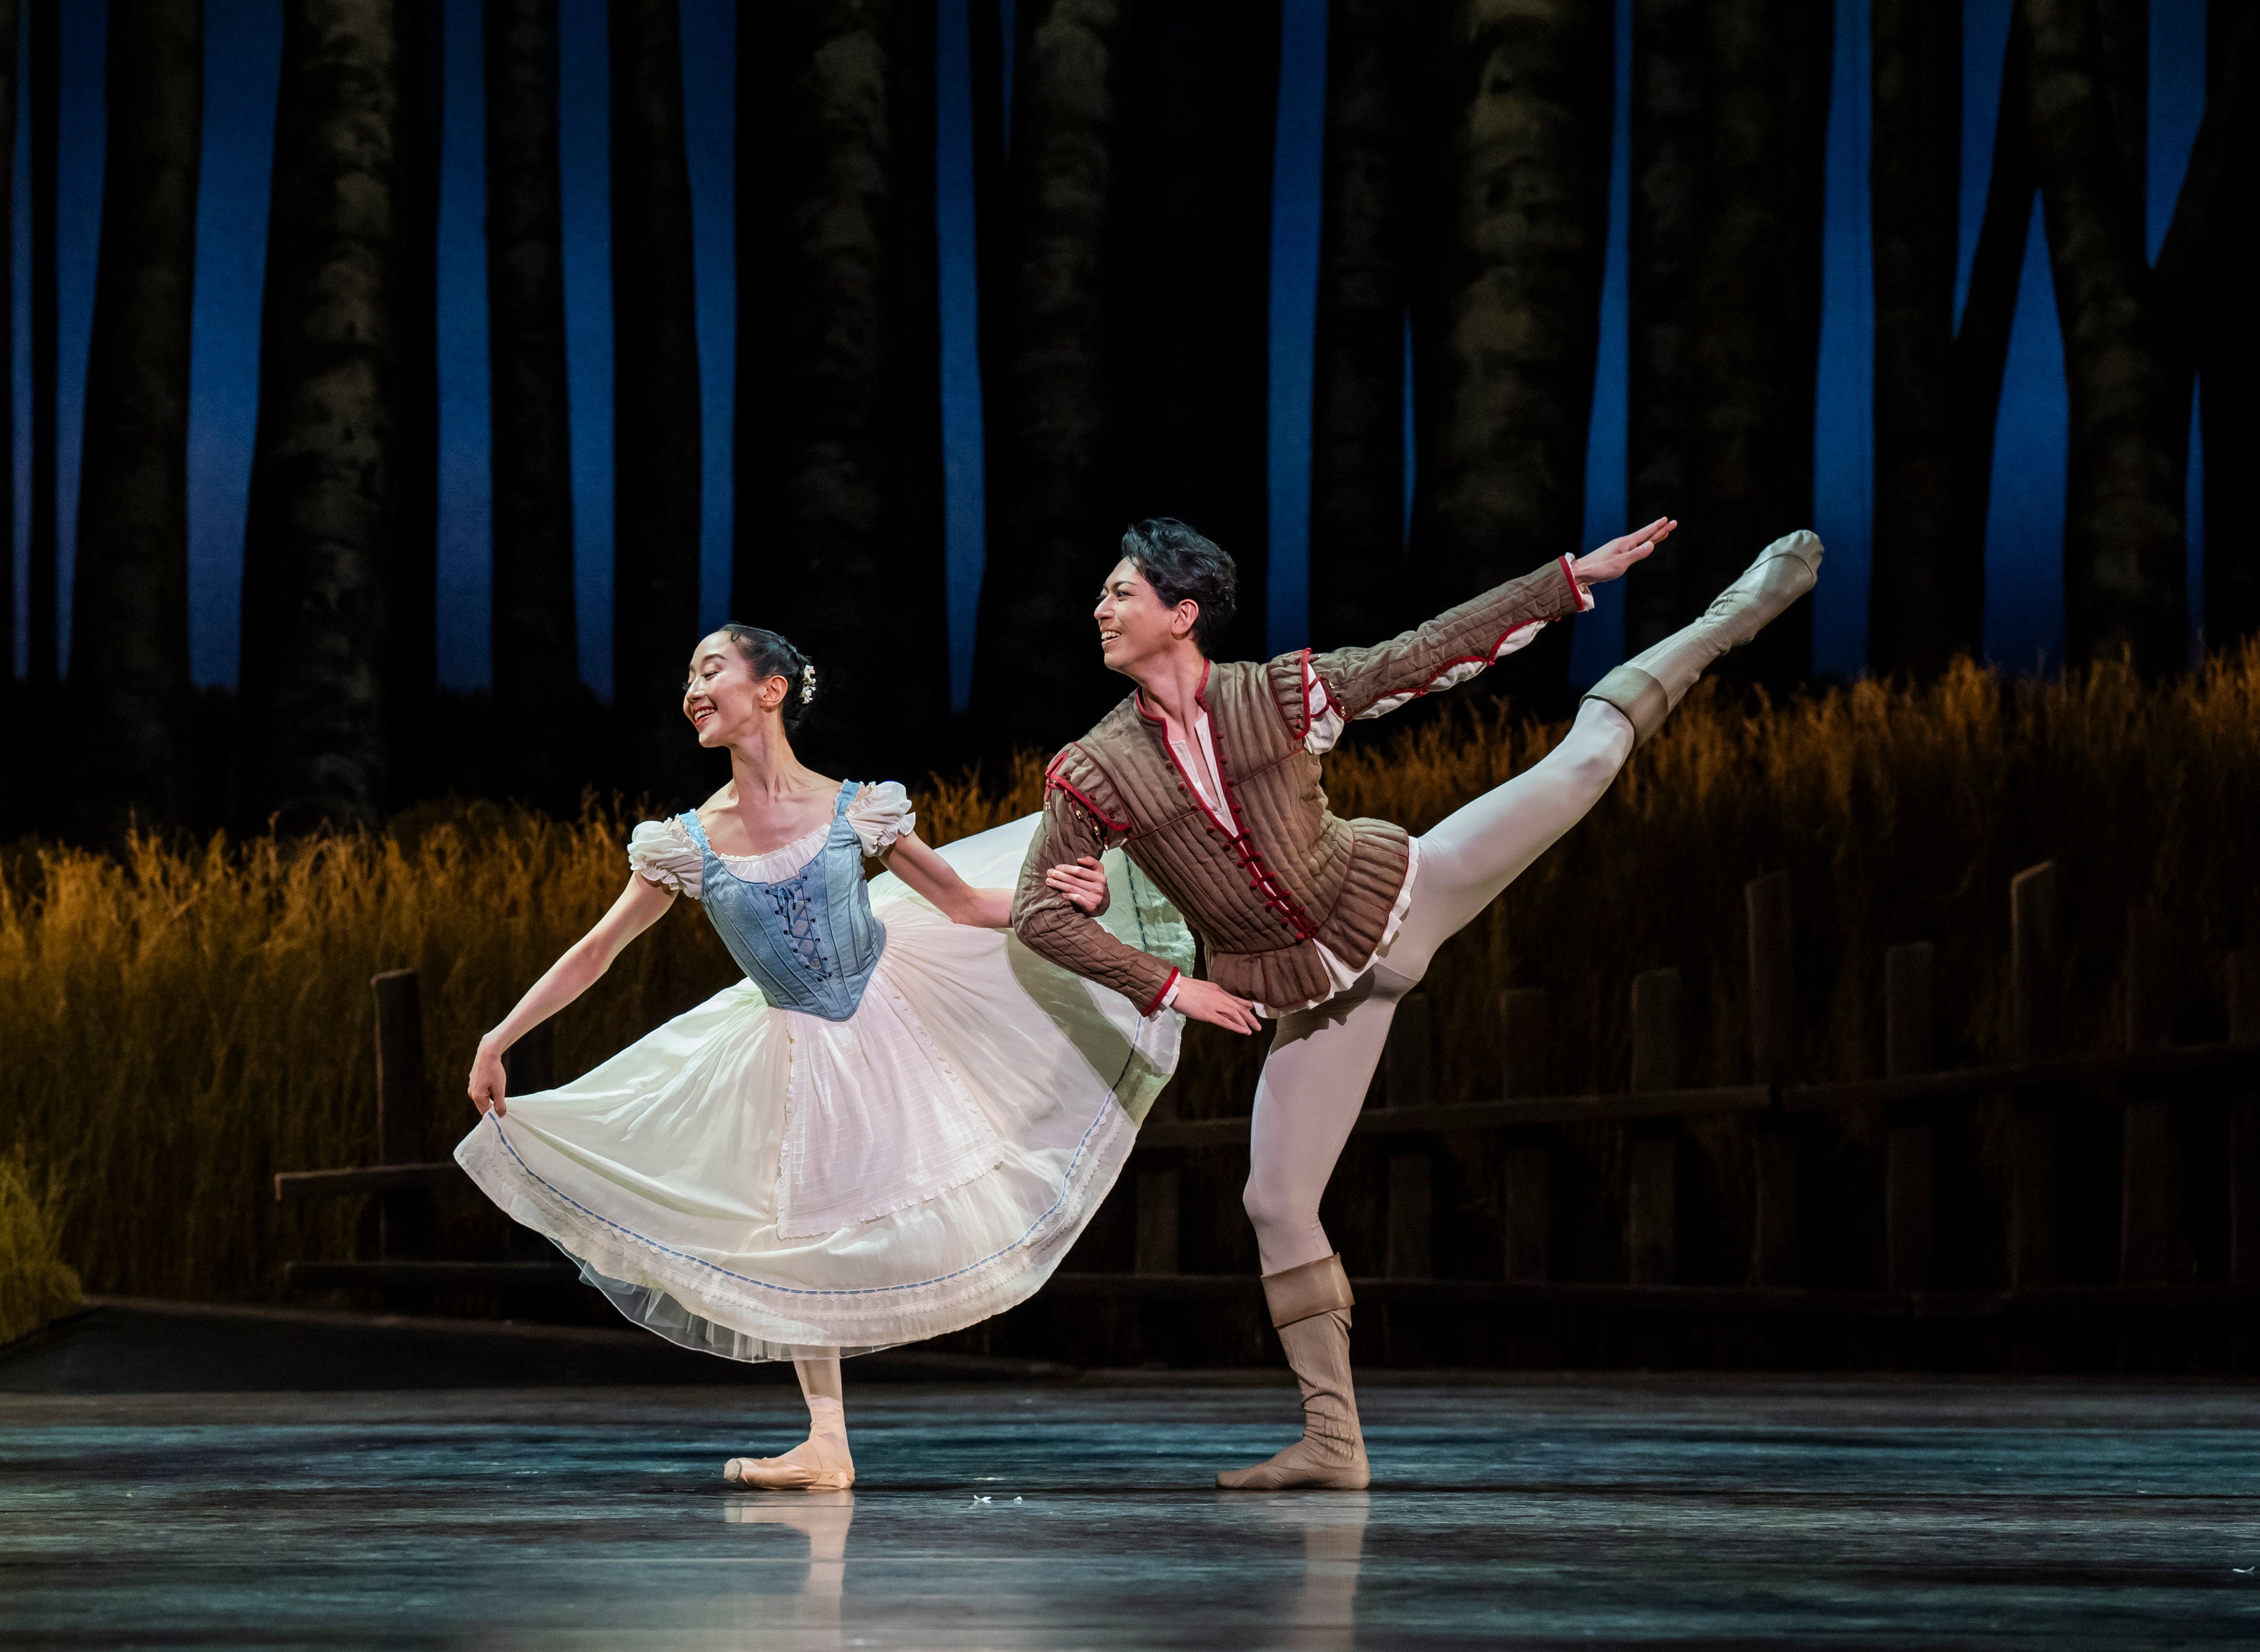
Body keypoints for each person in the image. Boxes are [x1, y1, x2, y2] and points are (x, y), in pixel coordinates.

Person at [1012, 515, 1822, 1489]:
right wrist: (1176, 986)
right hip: (1313, 998)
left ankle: (1722, 621)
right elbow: (1037, 915)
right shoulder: (1093, 770)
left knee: (1583, 762)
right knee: (1274, 1200)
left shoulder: (1277, 693)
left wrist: (1565, 579)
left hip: (1401, 897)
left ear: (1180, 615)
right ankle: (1332, 1440)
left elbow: (1423, 653)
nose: (1099, 609)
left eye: (1120, 593)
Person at [456, 625, 1191, 1490]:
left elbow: (963, 904)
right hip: (789, 1044)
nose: (691, 690)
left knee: (900, 1198)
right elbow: (595, 952)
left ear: (770, 690)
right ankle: (827, 1441)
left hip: (891, 1016)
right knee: (797, 1227)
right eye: (686, 676)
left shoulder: (855, 810)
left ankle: (834, 1437)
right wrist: (499, 1037)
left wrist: (1071, 903)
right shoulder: (685, 842)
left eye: (710, 670)